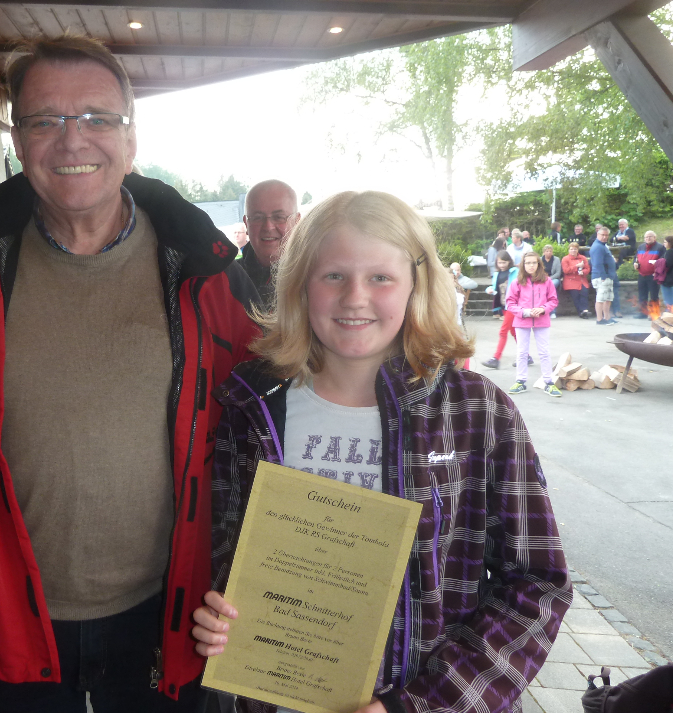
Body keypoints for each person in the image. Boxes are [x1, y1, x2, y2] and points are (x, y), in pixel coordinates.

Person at [0, 35, 260, 713]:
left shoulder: (204, 271)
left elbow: (266, 432)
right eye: (45, 120)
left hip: (169, 616)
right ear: (18, 140)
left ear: (131, 139)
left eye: (96, 118)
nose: (72, 139)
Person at [191, 190, 571, 713]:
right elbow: (226, 555)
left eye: (380, 278)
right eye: (333, 276)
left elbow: (537, 584)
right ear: (299, 284)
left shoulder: (477, 411)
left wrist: (421, 704)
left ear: (417, 284)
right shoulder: (250, 405)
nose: (354, 298)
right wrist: (218, 615)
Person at [238, 179, 300, 307]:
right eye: (257, 218)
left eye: (279, 217)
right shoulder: (228, 279)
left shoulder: (314, 275)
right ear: (246, 224)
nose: (268, 227)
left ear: (297, 221)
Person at [506, 251, 560, 397]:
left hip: (542, 320)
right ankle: (520, 381)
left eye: (534, 263)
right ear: (523, 265)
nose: (531, 265)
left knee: (544, 352)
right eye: (528, 263)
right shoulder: (517, 282)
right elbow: (510, 303)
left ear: (539, 264)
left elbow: (553, 300)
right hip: (522, 320)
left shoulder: (547, 281)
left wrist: (543, 309)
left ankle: (549, 382)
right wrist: (525, 312)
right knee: (522, 352)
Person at [481, 250, 530, 369]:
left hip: (513, 306)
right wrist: (489, 290)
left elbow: (522, 285)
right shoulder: (497, 274)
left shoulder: (515, 271)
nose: (502, 265)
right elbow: (494, 287)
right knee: (514, 332)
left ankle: (496, 359)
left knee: (503, 332)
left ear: (509, 262)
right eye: (499, 263)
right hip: (502, 305)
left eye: (504, 262)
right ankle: (527, 356)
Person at [590, 226, 619, 325]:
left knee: (608, 298)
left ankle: (607, 318)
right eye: (602, 235)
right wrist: (603, 276)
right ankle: (599, 319)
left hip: (608, 276)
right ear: (598, 234)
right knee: (601, 299)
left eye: (606, 235)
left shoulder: (603, 245)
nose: (605, 237)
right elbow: (597, 263)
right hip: (601, 277)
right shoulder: (597, 247)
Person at [634, 230, 665, 318]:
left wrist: (657, 267)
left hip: (653, 275)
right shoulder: (641, 247)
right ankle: (643, 313)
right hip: (642, 275)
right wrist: (635, 263)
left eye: (650, 236)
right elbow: (636, 258)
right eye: (646, 237)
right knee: (642, 295)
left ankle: (654, 314)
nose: (648, 238)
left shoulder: (660, 247)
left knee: (654, 295)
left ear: (654, 237)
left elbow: (663, 260)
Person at [561, 242, 592, 318]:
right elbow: (566, 270)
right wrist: (576, 266)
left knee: (584, 293)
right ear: (569, 250)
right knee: (575, 295)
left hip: (581, 280)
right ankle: (581, 312)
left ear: (578, 250)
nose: (573, 251)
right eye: (571, 249)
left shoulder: (583, 258)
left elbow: (587, 268)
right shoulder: (565, 259)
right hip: (571, 281)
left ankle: (584, 310)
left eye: (575, 249)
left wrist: (583, 272)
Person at [540, 244, 562, 318]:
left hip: (553, 279)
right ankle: (544, 310)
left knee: (552, 286)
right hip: (542, 279)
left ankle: (553, 312)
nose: (549, 253)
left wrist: (549, 279)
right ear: (544, 252)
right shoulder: (540, 260)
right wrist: (543, 278)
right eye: (547, 251)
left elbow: (558, 273)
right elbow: (538, 272)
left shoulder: (556, 259)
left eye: (550, 251)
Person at [655, 236, 673, 309]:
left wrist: (659, 263)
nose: (663, 244)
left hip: (668, 280)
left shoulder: (670, 252)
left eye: (665, 242)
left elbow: (667, 265)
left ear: (670, 243)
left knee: (669, 301)